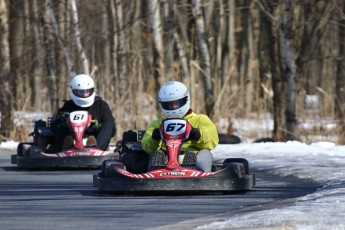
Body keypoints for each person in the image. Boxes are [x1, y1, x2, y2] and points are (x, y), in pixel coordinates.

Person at [121, 80, 218, 173]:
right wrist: (154, 137)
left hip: (194, 155)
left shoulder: (200, 120)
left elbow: (212, 141)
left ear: (185, 100)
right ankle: (156, 170)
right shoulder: (158, 124)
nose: (173, 107)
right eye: (169, 105)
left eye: (176, 104)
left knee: (205, 153)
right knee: (156, 154)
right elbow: (146, 146)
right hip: (166, 159)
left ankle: (194, 169)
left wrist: (198, 135)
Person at [50, 74, 116, 152]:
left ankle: (96, 149)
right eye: (81, 92)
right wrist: (62, 119)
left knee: (108, 125)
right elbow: (53, 126)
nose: (85, 94)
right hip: (72, 138)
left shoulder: (100, 105)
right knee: (60, 126)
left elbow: (111, 128)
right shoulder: (68, 106)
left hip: (95, 139)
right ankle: (65, 148)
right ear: (74, 91)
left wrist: (97, 124)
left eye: (87, 91)